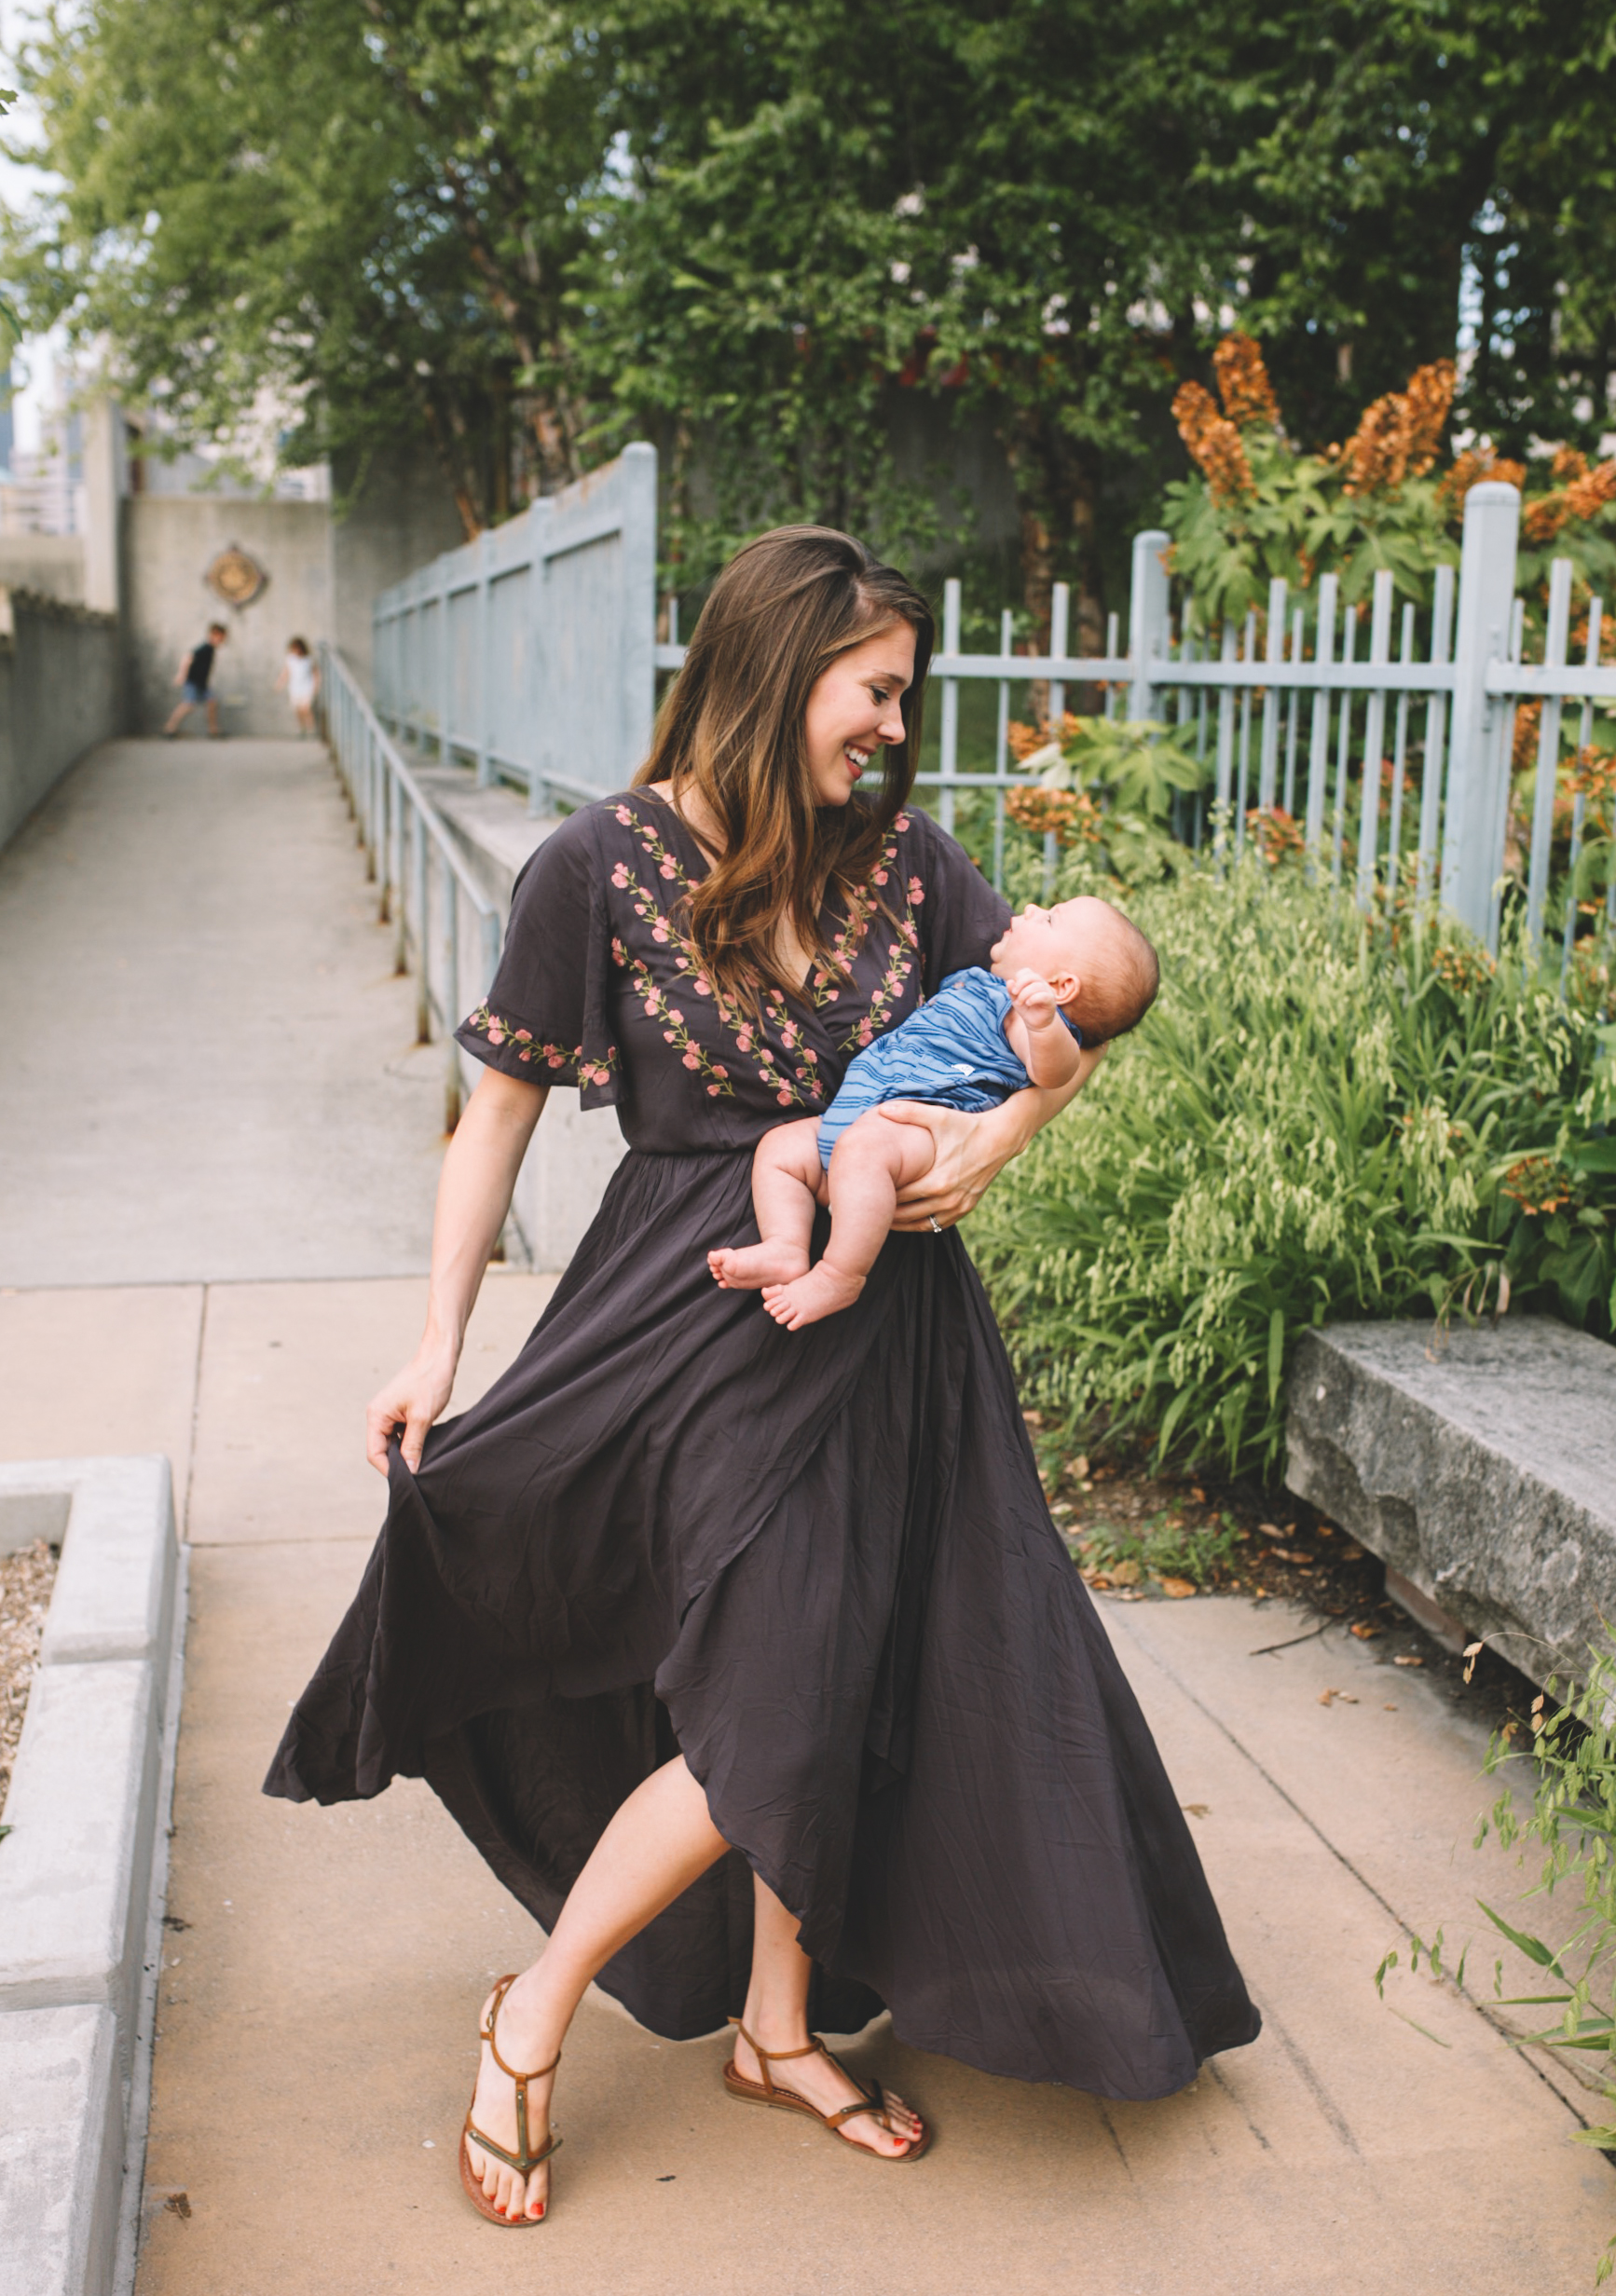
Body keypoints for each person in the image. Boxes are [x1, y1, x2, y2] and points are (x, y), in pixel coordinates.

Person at [266, 526, 1260, 2232]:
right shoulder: (595, 865)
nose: (893, 724)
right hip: (687, 1321)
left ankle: (775, 2028)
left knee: (854, 1664)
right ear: (777, 667)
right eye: (873, 690)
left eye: (902, 697)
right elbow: (490, 1116)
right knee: (777, 1686)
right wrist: (436, 1338)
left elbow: (1058, 1031)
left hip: (896, 1336)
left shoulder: (912, 860)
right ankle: (534, 2011)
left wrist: (998, 1142)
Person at [709, 894, 1158, 1330]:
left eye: (1051, 919)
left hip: (920, 1123)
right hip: (858, 1115)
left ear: (1061, 986)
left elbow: (1054, 1071)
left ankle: (839, 1275)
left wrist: (1044, 1022)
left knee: (863, 1153)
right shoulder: (980, 983)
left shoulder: (1025, 1016)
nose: (1033, 908)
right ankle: (786, 1245)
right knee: (782, 1148)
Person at [163, 622, 227, 736]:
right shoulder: (205, 648)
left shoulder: (211, 649)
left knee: (212, 702)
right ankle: (169, 729)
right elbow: (187, 657)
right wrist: (181, 674)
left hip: (202, 684)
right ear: (214, 634)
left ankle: (213, 731)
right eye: (221, 637)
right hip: (193, 682)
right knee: (188, 705)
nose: (222, 640)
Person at [275, 636, 320, 735]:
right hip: (295, 688)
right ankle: (302, 729)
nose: (296, 650)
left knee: (306, 709)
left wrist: (316, 686)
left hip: (307, 687)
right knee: (298, 710)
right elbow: (286, 673)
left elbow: (316, 674)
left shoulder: (309, 659)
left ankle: (311, 730)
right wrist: (279, 683)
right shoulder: (290, 659)